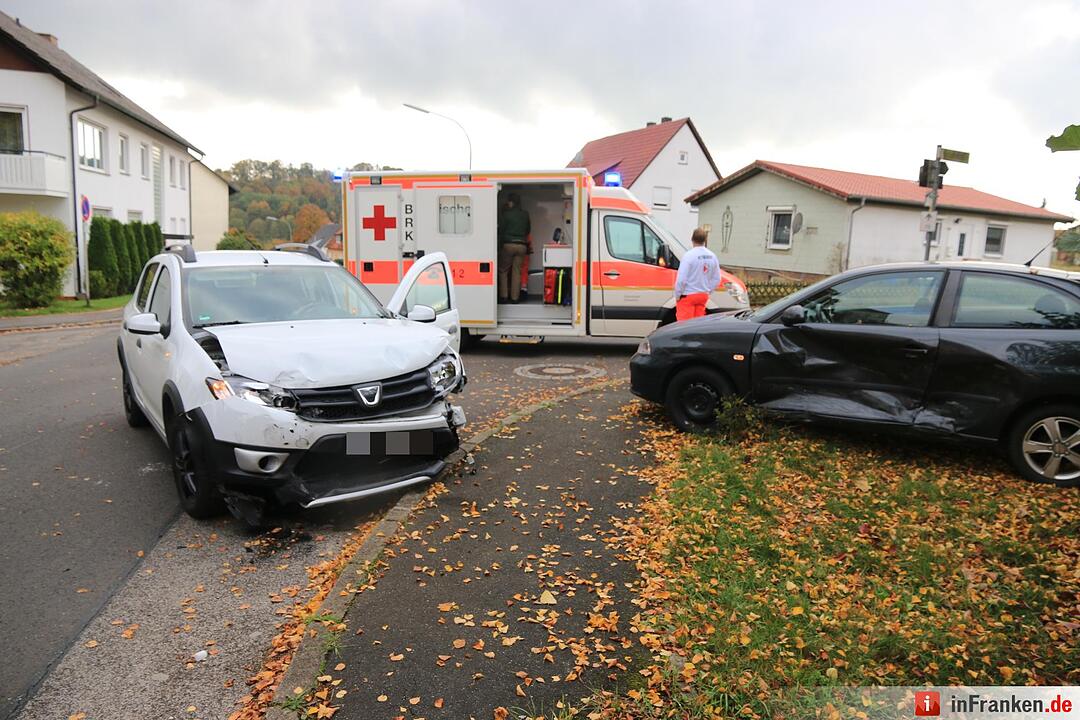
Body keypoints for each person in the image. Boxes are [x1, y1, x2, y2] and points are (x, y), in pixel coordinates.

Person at [674, 228, 721, 321]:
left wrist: (678, 295)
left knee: (684, 327)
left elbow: (681, 280)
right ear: (705, 240)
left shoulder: (689, 256)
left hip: (688, 296)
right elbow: (717, 279)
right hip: (703, 296)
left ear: (692, 239)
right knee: (697, 326)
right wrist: (708, 291)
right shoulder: (712, 256)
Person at [497, 193, 530, 303]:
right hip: (522, 246)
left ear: (512, 202)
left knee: (503, 270)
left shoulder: (506, 214)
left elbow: (500, 231)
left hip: (508, 245)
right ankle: (515, 298)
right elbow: (528, 230)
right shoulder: (525, 214)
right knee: (517, 271)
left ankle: (504, 296)